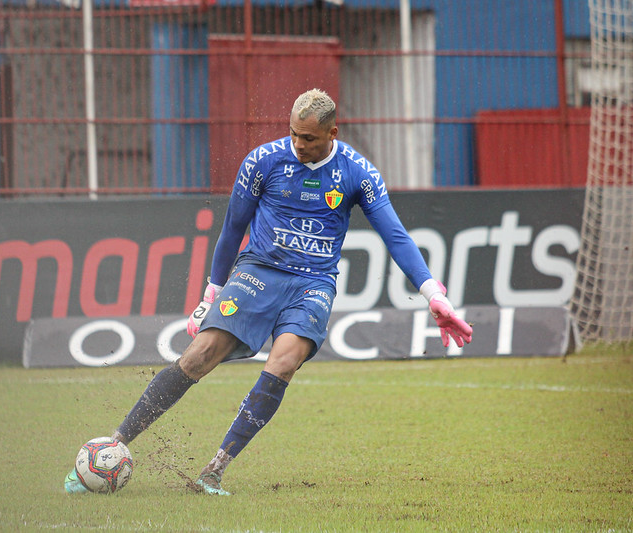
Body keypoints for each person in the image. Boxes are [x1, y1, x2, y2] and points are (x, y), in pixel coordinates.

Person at [65, 88, 473, 495]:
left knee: (284, 362)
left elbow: (396, 237)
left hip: (313, 284)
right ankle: (114, 443)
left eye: (309, 138)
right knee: (200, 355)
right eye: (294, 134)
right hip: (259, 270)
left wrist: (435, 297)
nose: (298, 145)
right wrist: (210, 294)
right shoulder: (263, 161)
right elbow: (232, 230)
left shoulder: (358, 173)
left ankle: (214, 471)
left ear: (333, 132)